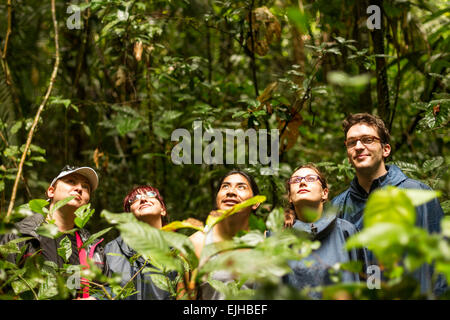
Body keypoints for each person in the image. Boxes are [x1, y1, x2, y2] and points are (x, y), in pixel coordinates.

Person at [331, 112, 446, 295]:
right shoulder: (338, 206)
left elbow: (442, 261)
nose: (359, 147)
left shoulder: (418, 194)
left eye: (367, 140)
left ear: (386, 150)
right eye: (352, 142)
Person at [0, 165, 107, 299]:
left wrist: (96, 298)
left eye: (85, 187)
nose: (79, 188)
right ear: (51, 191)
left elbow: (107, 289)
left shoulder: (93, 248)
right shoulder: (20, 234)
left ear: (88, 200)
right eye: (71, 181)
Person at [282, 163, 367, 299]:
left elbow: (367, 279)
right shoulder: (277, 237)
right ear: (290, 198)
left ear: (325, 193)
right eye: (296, 180)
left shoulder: (346, 231)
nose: (302, 182)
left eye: (310, 178)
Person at [188, 169, 260, 300]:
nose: (231, 192)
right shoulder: (196, 243)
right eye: (225, 186)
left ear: (256, 202)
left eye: (241, 187)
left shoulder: (268, 241)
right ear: (217, 199)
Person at [104, 185, 174, 300]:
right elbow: (101, 292)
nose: (143, 199)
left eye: (151, 195)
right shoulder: (111, 250)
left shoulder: (179, 251)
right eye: (135, 199)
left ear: (163, 210)